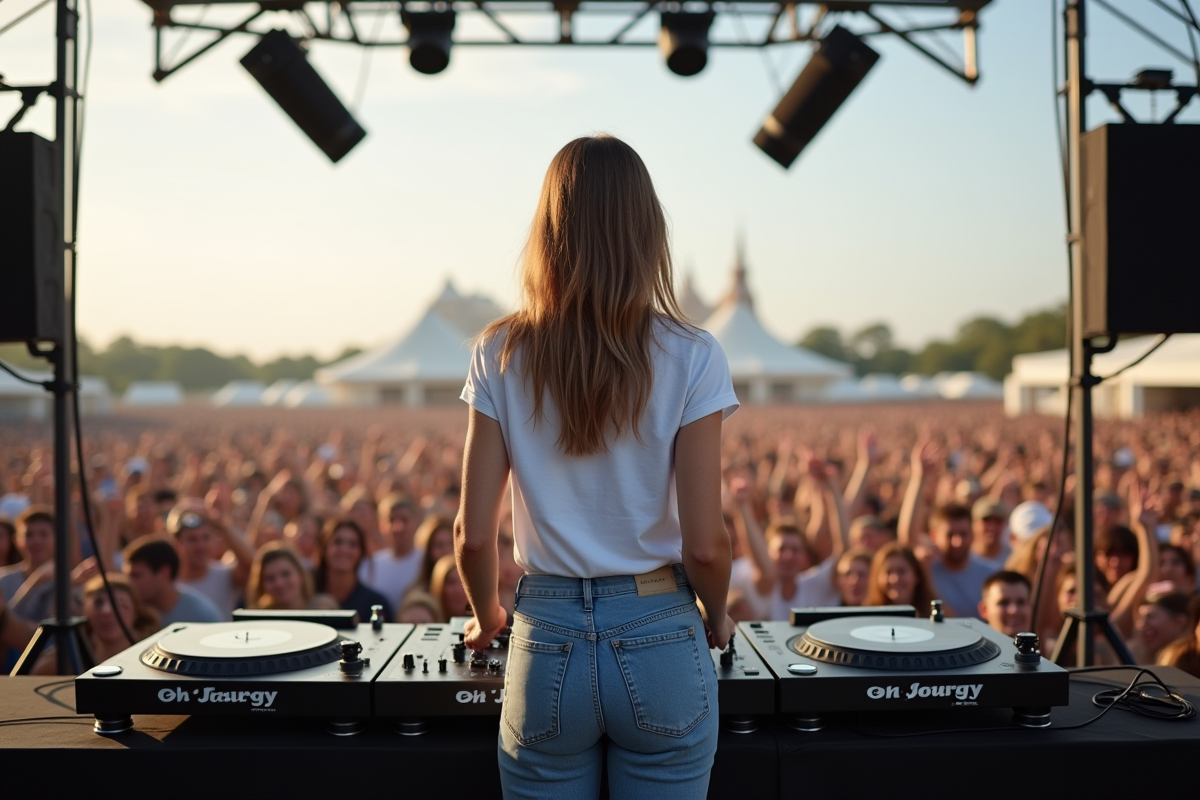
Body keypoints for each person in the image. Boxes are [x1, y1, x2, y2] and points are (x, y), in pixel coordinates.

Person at [455, 135, 737, 799]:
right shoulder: (694, 354)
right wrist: (717, 614)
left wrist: (486, 613)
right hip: (661, 629)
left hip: (545, 635)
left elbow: (471, 534)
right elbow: (705, 542)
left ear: (547, 230)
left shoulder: (498, 351)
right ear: (648, 229)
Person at [33, 574, 160, 674]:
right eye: (98, 603)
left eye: (120, 604)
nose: (107, 611)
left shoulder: (155, 656)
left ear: (136, 612)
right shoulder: (71, 655)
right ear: (85, 610)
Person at [169, 505, 253, 618]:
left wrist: (222, 525)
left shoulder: (225, 575)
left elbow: (252, 565)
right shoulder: (169, 583)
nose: (200, 546)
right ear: (177, 544)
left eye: (206, 538)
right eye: (192, 539)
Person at [123, 536, 222, 625]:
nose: (129, 583)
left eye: (136, 576)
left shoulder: (202, 617)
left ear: (164, 573)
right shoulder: (130, 614)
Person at [923, 503, 996, 619]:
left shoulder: (992, 575)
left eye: (963, 534)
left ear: (972, 534)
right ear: (934, 535)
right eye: (950, 535)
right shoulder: (925, 571)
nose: (958, 542)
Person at [314, 517, 392, 622]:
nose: (344, 549)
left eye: (352, 544)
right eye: (337, 542)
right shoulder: (308, 595)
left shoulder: (375, 604)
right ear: (324, 548)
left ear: (361, 552)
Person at [358, 495, 422, 607]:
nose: (398, 527)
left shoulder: (426, 561)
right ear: (380, 525)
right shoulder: (370, 565)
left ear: (416, 522)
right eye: (391, 520)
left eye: (404, 519)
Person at [246, 542, 337, 611]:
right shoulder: (256, 616)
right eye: (270, 578)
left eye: (286, 574)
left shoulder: (324, 608)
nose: (279, 583)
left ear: (301, 574)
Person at [864, 542, 939, 616]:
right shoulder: (868, 616)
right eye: (888, 572)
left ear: (917, 575)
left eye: (901, 571)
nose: (895, 579)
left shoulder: (934, 616)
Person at [977, 571, 1032, 637]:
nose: (1014, 610)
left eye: (1020, 602)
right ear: (984, 610)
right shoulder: (968, 646)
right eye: (1004, 603)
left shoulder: (1043, 646)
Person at [429, 554, 471, 621]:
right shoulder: (427, 619)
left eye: (464, 582)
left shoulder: (485, 624)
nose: (458, 590)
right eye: (451, 582)